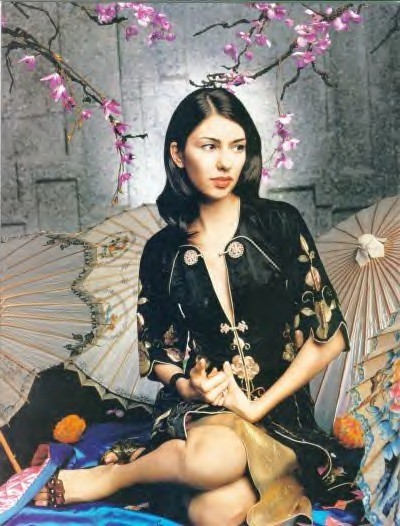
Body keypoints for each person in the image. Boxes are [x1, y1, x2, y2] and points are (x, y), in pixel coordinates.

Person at [32, 88, 362, 526]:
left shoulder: (279, 223)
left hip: (281, 414)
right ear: (178, 153)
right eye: (209, 146)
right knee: (214, 457)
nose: (226, 163)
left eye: (237, 147)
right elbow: (157, 350)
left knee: (216, 511)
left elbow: (328, 337)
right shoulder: (161, 250)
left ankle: (146, 480)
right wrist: (190, 385)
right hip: (206, 416)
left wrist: (256, 407)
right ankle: (113, 477)